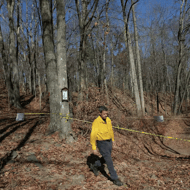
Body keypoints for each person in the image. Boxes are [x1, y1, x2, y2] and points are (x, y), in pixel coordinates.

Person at [90, 106, 123, 186]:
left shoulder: (108, 120)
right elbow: (93, 135)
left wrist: (113, 140)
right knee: (109, 161)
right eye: (104, 114)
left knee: (105, 159)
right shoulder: (96, 122)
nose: (106, 115)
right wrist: (94, 148)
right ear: (100, 113)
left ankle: (95, 165)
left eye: (106, 113)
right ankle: (114, 178)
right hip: (101, 143)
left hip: (109, 142)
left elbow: (111, 130)